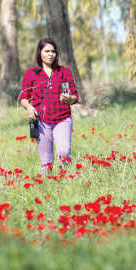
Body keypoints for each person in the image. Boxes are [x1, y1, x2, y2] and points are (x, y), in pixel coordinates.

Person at [19, 38, 79, 175]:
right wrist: (29, 107)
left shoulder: (64, 72)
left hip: (62, 119)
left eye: (53, 51)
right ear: (40, 52)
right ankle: (49, 188)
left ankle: (67, 182)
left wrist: (69, 99)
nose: (50, 54)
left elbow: (75, 96)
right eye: (47, 51)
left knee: (64, 152)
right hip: (41, 122)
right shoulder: (31, 73)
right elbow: (23, 97)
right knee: (46, 161)